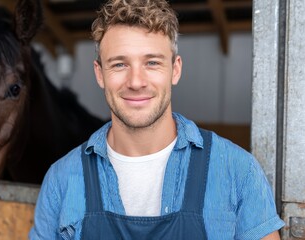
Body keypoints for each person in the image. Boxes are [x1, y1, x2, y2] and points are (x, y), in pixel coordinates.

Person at [29, 0, 285, 239]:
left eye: (152, 63)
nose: (136, 82)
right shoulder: (61, 179)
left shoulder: (238, 172)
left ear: (175, 69)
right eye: (119, 64)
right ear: (100, 73)